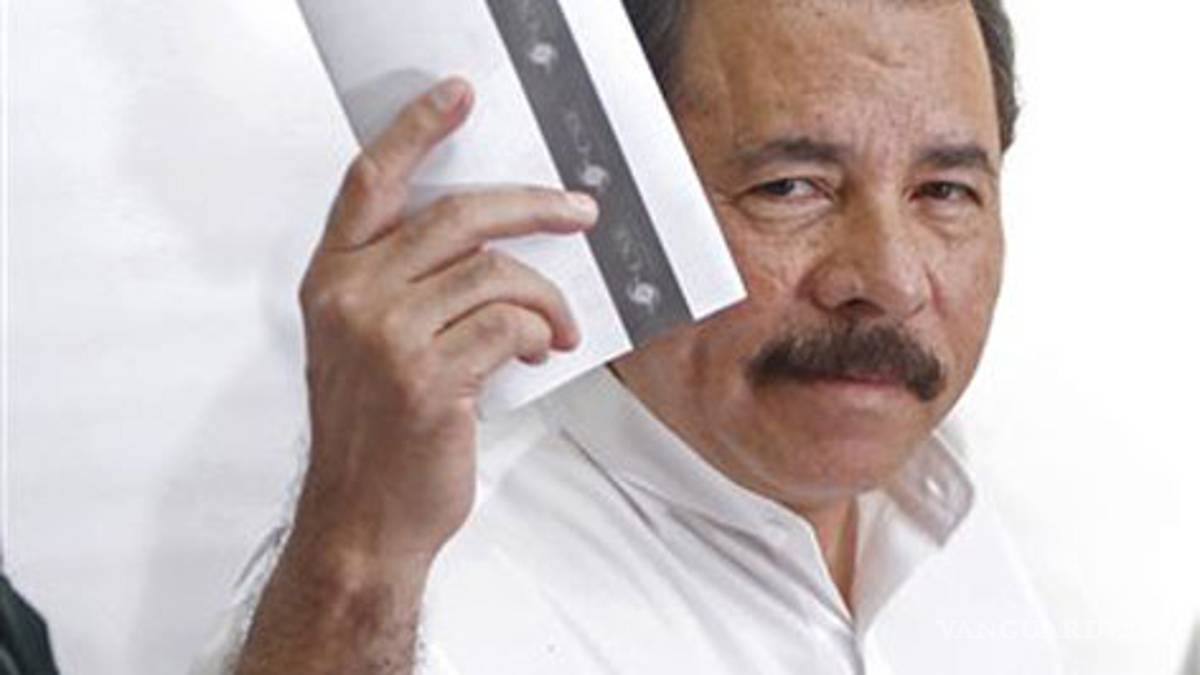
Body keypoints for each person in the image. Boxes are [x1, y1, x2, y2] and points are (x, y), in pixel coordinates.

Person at [197, 0, 1063, 672]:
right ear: (624, 204)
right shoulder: (409, 595)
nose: (892, 282)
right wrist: (354, 568)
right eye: (790, 187)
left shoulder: (953, 505)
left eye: (945, 192)